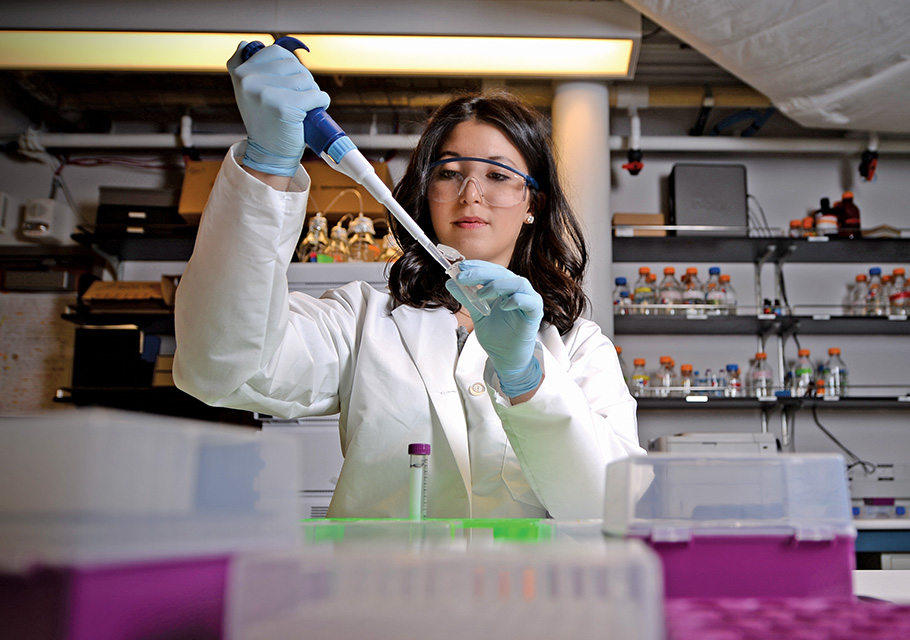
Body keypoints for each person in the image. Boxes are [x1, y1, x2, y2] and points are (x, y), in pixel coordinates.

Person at [174, 42, 643, 520]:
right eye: (450, 172)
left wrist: (528, 380)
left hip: (523, 593)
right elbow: (219, 368)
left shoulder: (578, 347)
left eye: (498, 176)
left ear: (532, 206)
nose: (471, 194)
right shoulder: (361, 322)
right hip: (381, 592)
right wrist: (266, 165)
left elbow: (613, 505)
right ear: (426, 193)